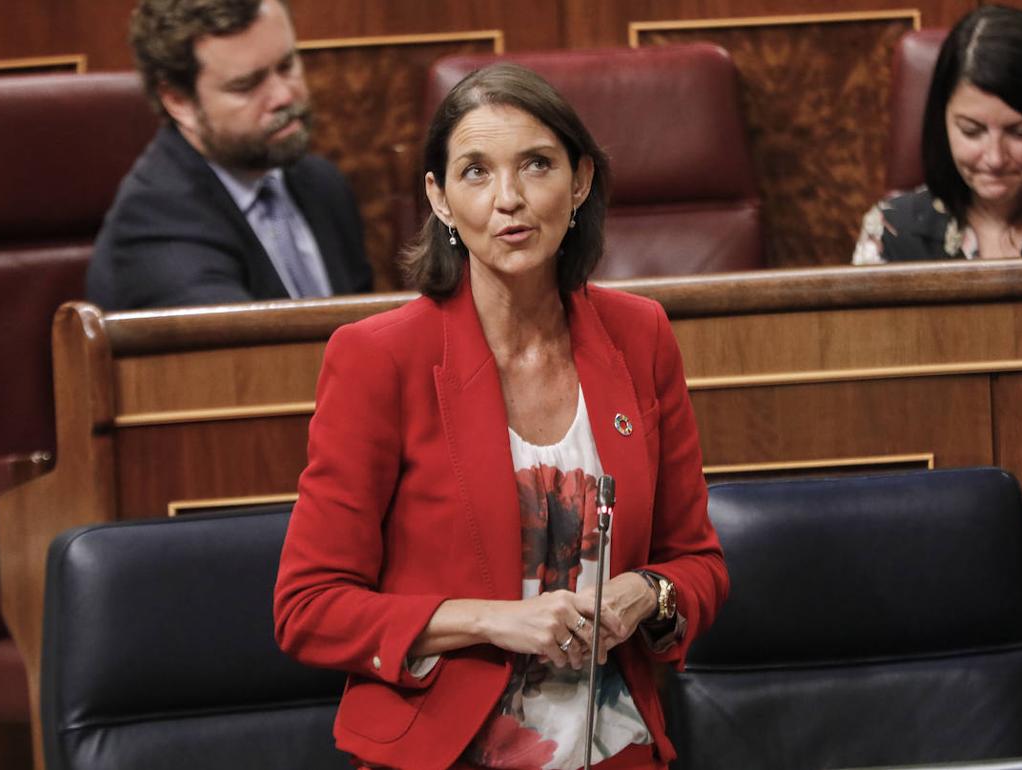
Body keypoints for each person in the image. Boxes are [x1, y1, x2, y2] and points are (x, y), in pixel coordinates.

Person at [273, 63, 729, 770]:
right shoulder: (377, 359)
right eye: (476, 172)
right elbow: (309, 607)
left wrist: (645, 595)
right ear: (441, 198)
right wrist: (497, 620)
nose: (508, 200)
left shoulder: (640, 337)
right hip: (445, 752)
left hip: (615, 749)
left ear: (579, 182)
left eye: (536, 165)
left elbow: (697, 563)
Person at [86, 0, 371, 310]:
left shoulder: (323, 184)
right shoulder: (156, 226)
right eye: (246, 85)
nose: (284, 96)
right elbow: (241, 357)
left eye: (287, 66)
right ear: (179, 101)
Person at [853, 5, 1022, 263]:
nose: (995, 159)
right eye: (971, 132)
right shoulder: (891, 232)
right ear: (942, 124)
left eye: (1020, 133)